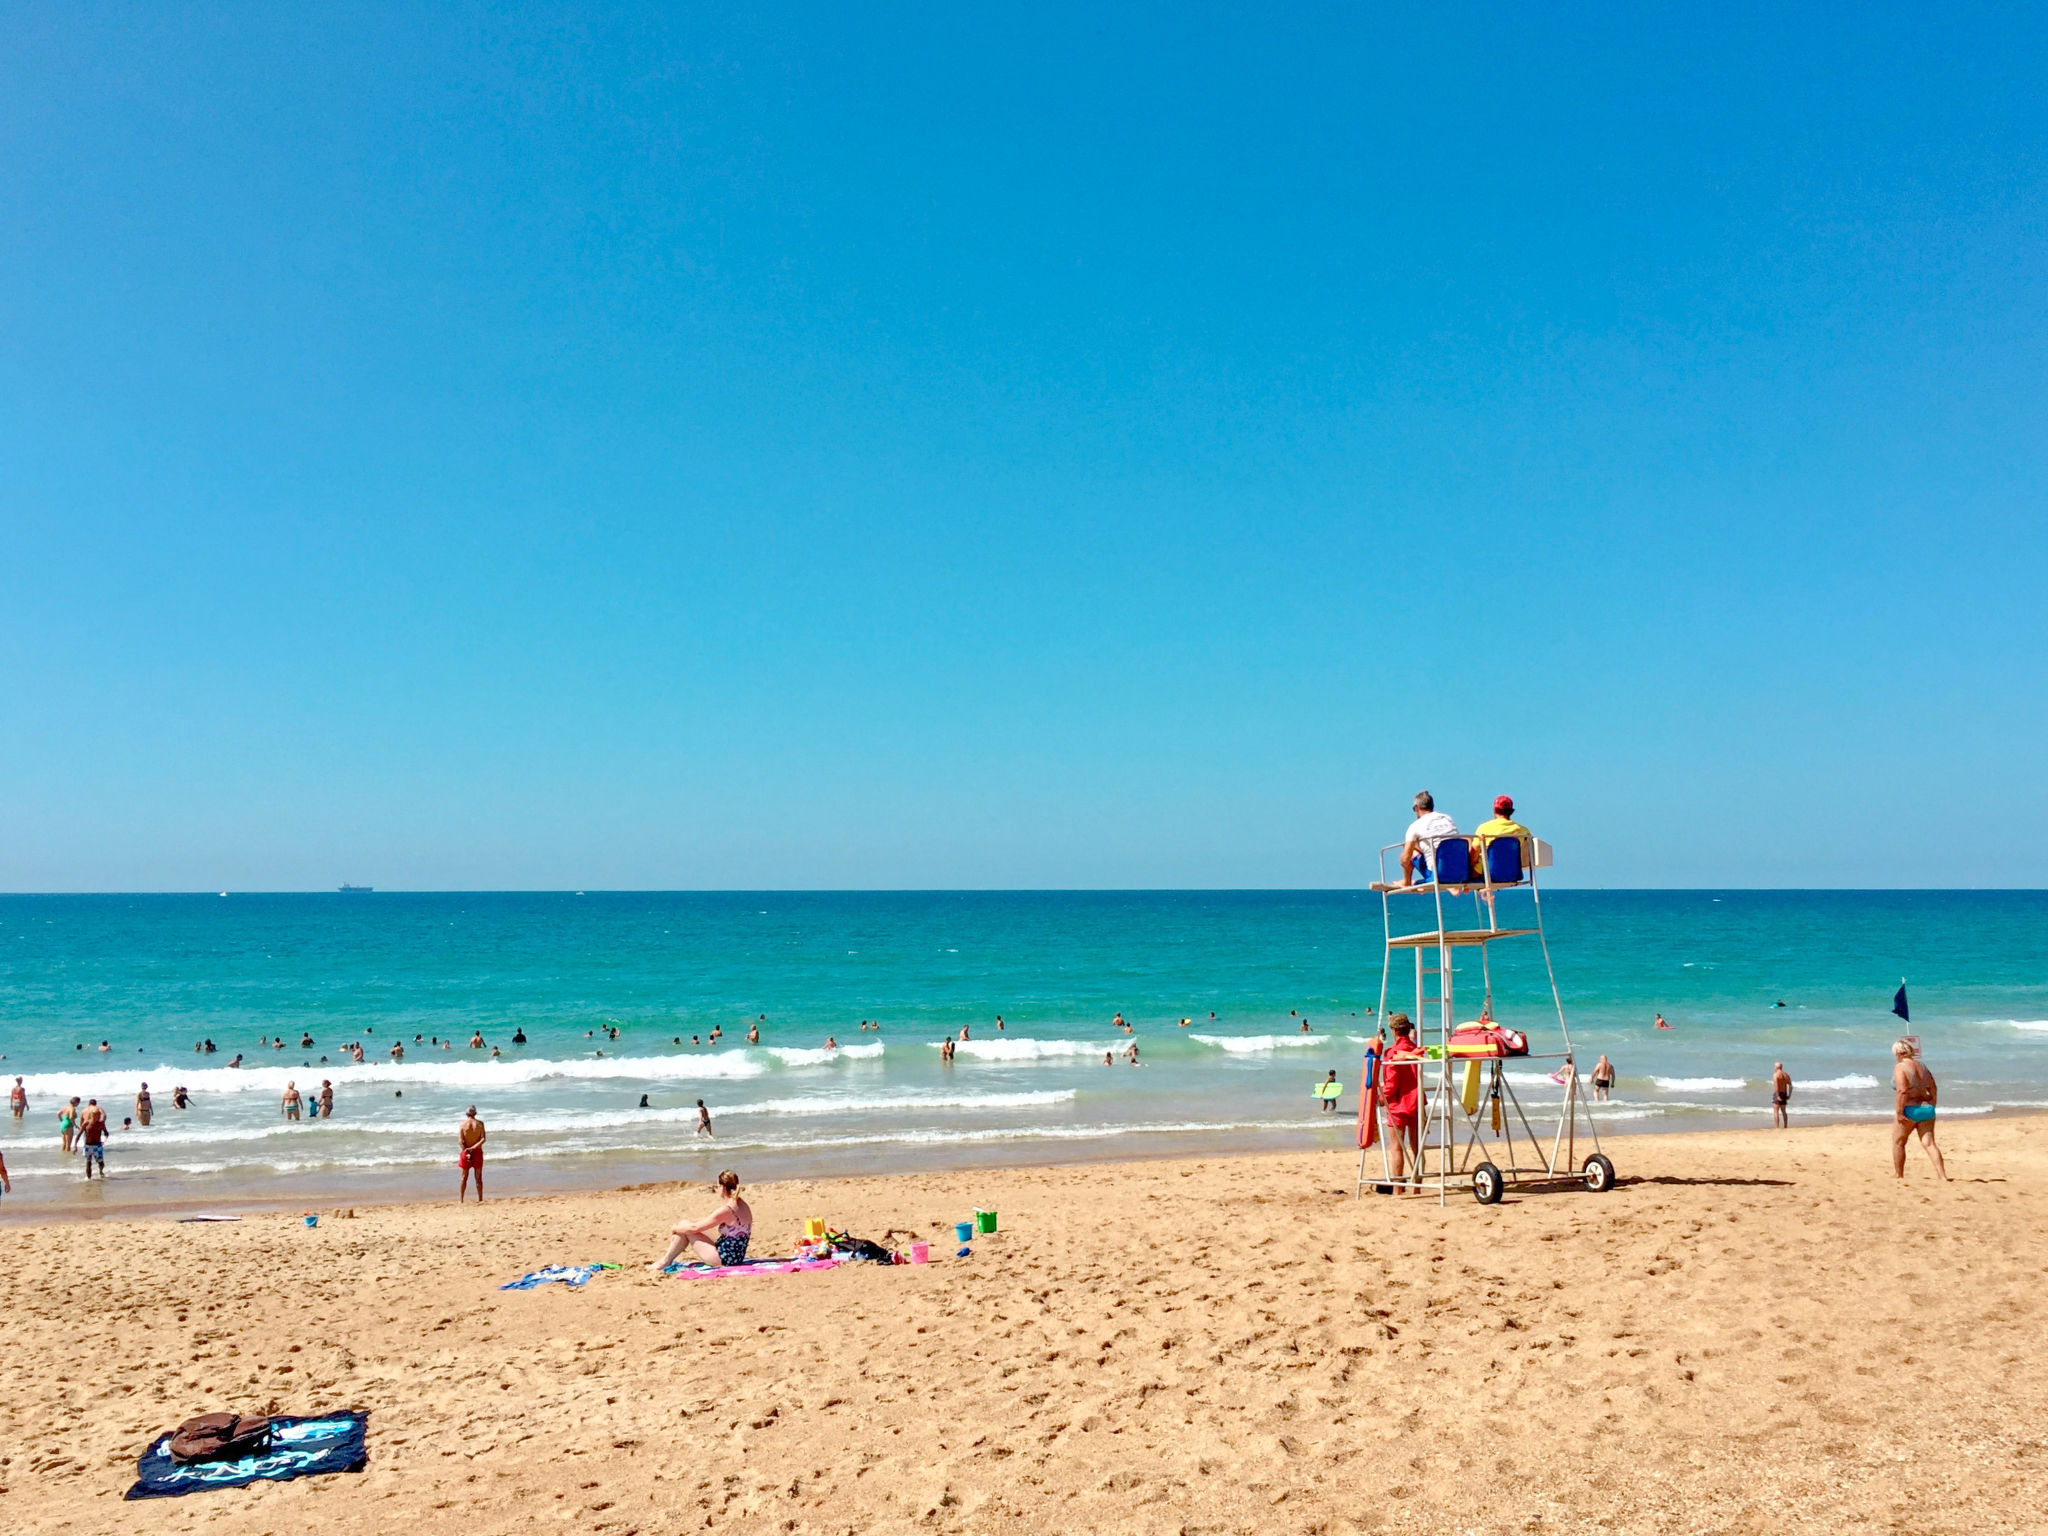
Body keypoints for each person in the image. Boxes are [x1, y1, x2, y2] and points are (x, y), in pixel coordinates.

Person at [650, 1169, 752, 1270]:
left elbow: (694, 1228)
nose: (716, 1189)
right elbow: (705, 1222)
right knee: (687, 1224)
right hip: (736, 1256)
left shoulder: (727, 1210)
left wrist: (675, 1229)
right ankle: (666, 1259)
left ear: (723, 1187)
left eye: (717, 1186)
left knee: (685, 1227)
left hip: (724, 1259)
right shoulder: (743, 1205)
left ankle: (665, 1261)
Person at [1892, 1040, 1948, 1180]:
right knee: (1929, 1143)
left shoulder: (1900, 1067)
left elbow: (1902, 1091)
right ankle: (1942, 1175)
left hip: (1910, 1109)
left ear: (1898, 1053)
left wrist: (1899, 1112)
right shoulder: (1922, 1066)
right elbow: (1933, 1087)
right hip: (1925, 1108)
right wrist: (1933, 1103)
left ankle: (1899, 1174)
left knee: (1899, 1142)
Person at [1381, 1016, 1426, 1180]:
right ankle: (1418, 1187)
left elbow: (1392, 1085)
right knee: (1417, 1147)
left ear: (1394, 1031)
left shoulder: (1393, 1053)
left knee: (1397, 1147)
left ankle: (1398, 1187)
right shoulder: (1415, 1049)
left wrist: (1381, 1098)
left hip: (1398, 1104)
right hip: (1416, 1102)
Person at [1401, 792, 1462, 886]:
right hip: (1459, 871)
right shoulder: (1447, 819)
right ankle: (1452, 887)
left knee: (1408, 849)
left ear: (1417, 808)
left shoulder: (1415, 826)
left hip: (1437, 874)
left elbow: (1405, 860)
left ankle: (1406, 882)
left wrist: (1403, 858)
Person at [1472, 795, 1533, 873]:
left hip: (1486, 873)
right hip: (1511, 872)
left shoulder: (1484, 828)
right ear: (1511, 810)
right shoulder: (1523, 831)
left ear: (1495, 810)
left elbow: (1474, 852)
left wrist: (1470, 868)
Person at [458, 1106, 487, 1201]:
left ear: (466, 1114)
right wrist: (473, 1148)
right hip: (477, 1151)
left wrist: (466, 1150)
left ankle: (461, 1199)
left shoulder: (462, 1125)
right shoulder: (480, 1124)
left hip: (465, 1152)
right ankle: (480, 1199)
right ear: (475, 1113)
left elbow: (460, 1141)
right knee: (478, 1177)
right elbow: (483, 1139)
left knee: (464, 1177)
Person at [78, 1099, 108, 1178]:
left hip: (87, 1130)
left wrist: (83, 1128)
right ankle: (100, 1172)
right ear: (95, 1103)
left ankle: (88, 1178)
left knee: (88, 1160)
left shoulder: (84, 1110)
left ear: (89, 1104)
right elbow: (104, 1116)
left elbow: (81, 1123)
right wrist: (101, 1124)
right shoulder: (98, 1108)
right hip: (96, 1129)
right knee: (97, 1160)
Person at [1771, 1063, 1793, 1128]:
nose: (1774, 1068)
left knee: (1776, 1111)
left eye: (1774, 1066)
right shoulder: (1786, 1075)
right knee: (1784, 1111)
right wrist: (1789, 1095)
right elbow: (1791, 1086)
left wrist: (1777, 1095)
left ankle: (1777, 1127)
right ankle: (1785, 1126)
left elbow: (1776, 1086)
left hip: (1778, 1093)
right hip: (1784, 1093)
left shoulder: (1775, 1075)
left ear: (1776, 1067)